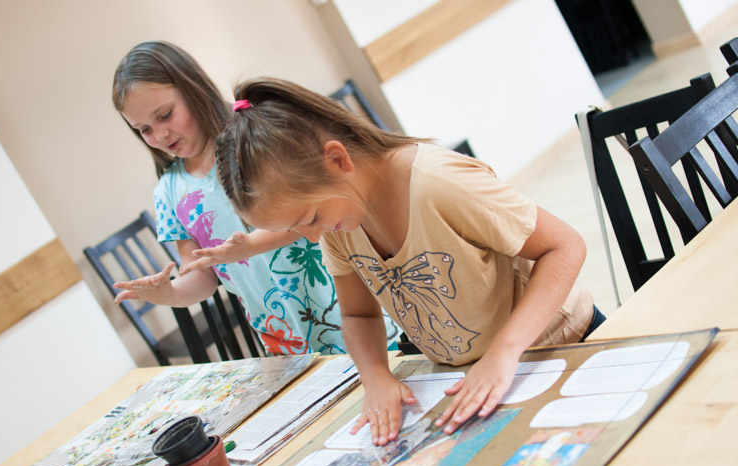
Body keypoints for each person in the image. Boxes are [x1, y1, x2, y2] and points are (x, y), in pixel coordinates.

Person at [214, 77, 606, 445]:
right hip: (474, 376)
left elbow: (564, 246)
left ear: (337, 160)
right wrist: (375, 376)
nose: (313, 236)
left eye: (311, 218)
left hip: (561, 345)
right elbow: (358, 315)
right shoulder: (338, 221)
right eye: (297, 228)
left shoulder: (437, 183)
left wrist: (504, 351)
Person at [110, 41, 400, 356]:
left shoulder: (254, 144)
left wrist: (248, 246)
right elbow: (201, 273)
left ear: (193, 89)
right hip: (283, 340)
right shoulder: (167, 192)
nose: (160, 135)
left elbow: (310, 215)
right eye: (144, 129)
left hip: (350, 308)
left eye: (165, 115)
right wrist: (170, 294)